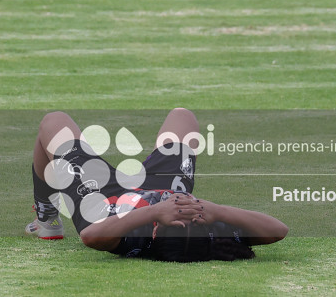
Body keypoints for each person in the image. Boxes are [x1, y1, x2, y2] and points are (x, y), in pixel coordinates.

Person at [25, 108, 288, 262]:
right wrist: (214, 210)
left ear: (154, 231)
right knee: (182, 117)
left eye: (177, 215)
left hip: (104, 198)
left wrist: (153, 210)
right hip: (163, 184)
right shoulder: (209, 228)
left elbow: (90, 236)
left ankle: (47, 219)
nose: (184, 212)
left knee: (53, 122)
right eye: (193, 219)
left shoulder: (129, 237)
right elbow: (279, 230)